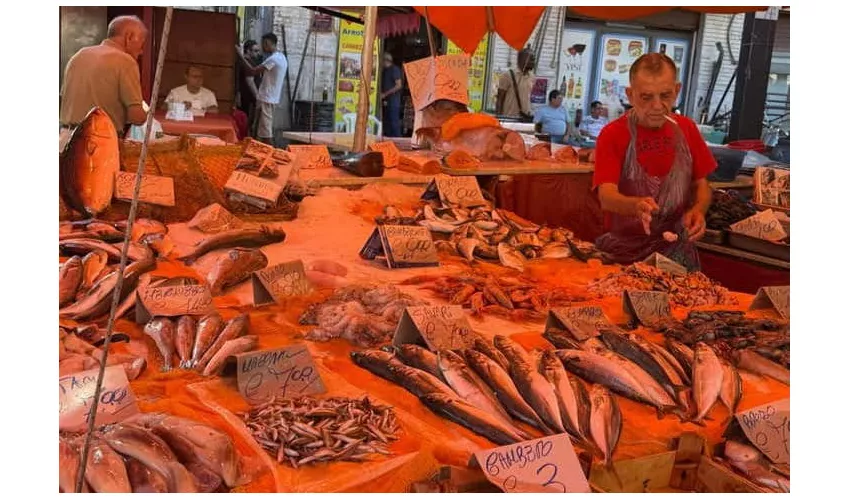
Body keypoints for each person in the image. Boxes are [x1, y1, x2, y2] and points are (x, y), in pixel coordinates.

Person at [593, 53, 717, 271]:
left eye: (666, 95)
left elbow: (702, 184)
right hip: (623, 254)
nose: (658, 106)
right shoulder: (613, 134)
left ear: (677, 91)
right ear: (630, 95)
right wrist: (635, 206)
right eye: (646, 97)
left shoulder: (687, 129)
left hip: (677, 253)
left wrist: (699, 210)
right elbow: (607, 197)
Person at [60, 15, 148, 134]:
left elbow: (64, 100)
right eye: (142, 44)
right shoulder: (126, 61)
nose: (141, 51)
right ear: (129, 37)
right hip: (97, 142)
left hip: (63, 137)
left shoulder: (79, 55)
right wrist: (146, 113)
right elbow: (136, 117)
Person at [235, 32, 288, 144]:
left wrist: (239, 55)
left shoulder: (273, 59)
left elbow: (252, 71)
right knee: (259, 129)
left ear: (268, 43)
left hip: (266, 98)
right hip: (268, 98)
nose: (262, 47)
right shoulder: (281, 57)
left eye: (264, 44)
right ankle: (260, 151)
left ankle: (269, 154)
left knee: (265, 131)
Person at [496, 49, 535, 120]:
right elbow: (499, 99)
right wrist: (499, 119)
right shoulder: (508, 75)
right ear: (521, 59)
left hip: (525, 118)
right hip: (509, 118)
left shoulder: (532, 77)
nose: (533, 62)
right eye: (531, 59)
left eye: (533, 60)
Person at [237, 39, 263, 135]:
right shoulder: (248, 63)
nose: (257, 53)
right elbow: (250, 81)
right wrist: (257, 97)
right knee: (247, 123)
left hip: (248, 97)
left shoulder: (250, 62)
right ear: (248, 51)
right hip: (248, 97)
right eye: (255, 51)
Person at [381, 53, 403, 137]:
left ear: (385, 60)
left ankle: (399, 142)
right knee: (387, 123)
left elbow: (399, 85)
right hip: (387, 100)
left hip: (393, 101)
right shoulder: (385, 71)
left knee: (394, 123)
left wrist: (385, 94)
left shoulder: (394, 69)